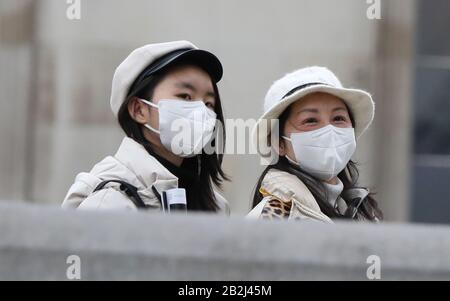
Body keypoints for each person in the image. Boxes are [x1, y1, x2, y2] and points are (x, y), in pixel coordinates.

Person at [62, 41, 229, 214]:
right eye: (185, 96)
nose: (200, 110)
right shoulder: (108, 204)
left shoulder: (216, 207)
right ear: (139, 110)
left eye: (209, 103)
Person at [248, 66, 383, 222]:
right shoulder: (271, 219)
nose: (328, 130)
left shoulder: (364, 214)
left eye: (338, 118)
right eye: (310, 121)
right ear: (279, 143)